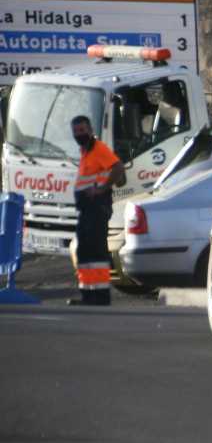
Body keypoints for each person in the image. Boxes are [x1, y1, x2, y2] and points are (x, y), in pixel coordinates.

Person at [70, 115, 125, 306]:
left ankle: (100, 295)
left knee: (96, 252)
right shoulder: (85, 152)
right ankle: (88, 294)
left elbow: (118, 168)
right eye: (76, 131)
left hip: (97, 207)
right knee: (84, 252)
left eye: (82, 130)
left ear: (90, 130)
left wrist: (101, 189)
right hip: (87, 209)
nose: (79, 134)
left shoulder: (98, 148)